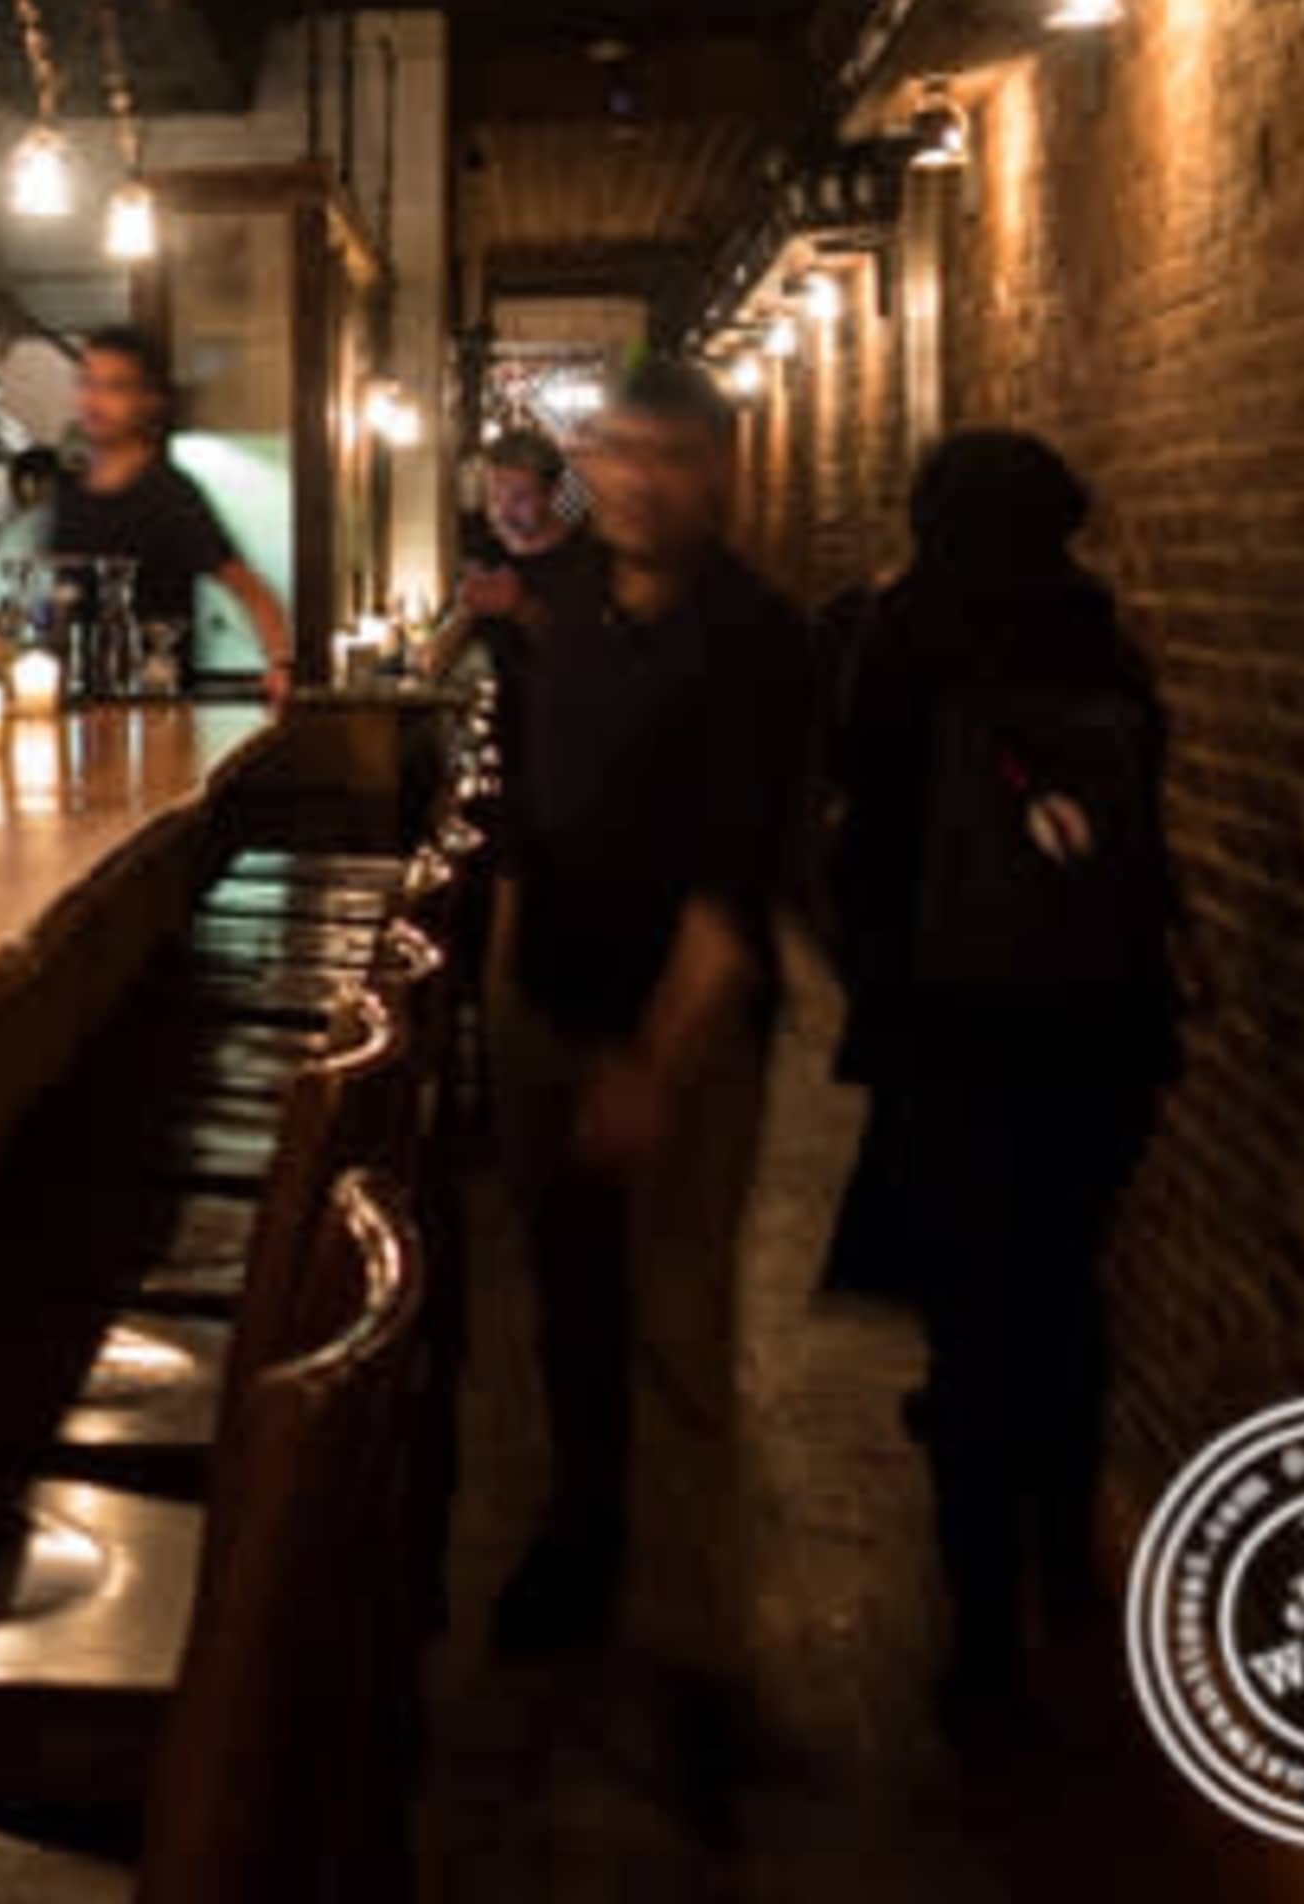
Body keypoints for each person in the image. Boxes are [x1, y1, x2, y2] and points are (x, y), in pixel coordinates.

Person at [485, 356, 810, 1830]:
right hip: (547, 1018)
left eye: (673, 456)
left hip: (680, 1041)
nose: (639, 480)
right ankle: (580, 1542)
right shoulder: (569, 620)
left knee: (678, 1340)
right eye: (619, 452)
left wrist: (653, 1066)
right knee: (567, 1310)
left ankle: (698, 1667)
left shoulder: (760, 643)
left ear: (723, 469)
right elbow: (539, 836)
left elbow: (735, 897)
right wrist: (506, 1012)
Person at [821, 430, 1175, 1740]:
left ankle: (980, 1640)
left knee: (969, 1331)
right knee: (1064, 1285)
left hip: (956, 1035)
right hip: (1100, 1032)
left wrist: (871, 988)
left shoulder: (905, 636)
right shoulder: (1103, 642)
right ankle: (1067, 1556)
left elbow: (861, 816)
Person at [47, 327, 293, 705]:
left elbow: (248, 587)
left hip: (152, 707)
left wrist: (281, 664)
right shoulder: (68, 493)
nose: (94, 400)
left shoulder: (169, 494)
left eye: (114, 387)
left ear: (149, 401)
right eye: (87, 383)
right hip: (69, 704)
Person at [419, 428, 594, 748]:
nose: (503, 511)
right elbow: (431, 663)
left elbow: (590, 662)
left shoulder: (587, 558)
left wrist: (521, 609)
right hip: (501, 739)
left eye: (520, 497)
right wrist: (465, 612)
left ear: (553, 493)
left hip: (574, 739)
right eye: (495, 496)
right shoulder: (485, 555)